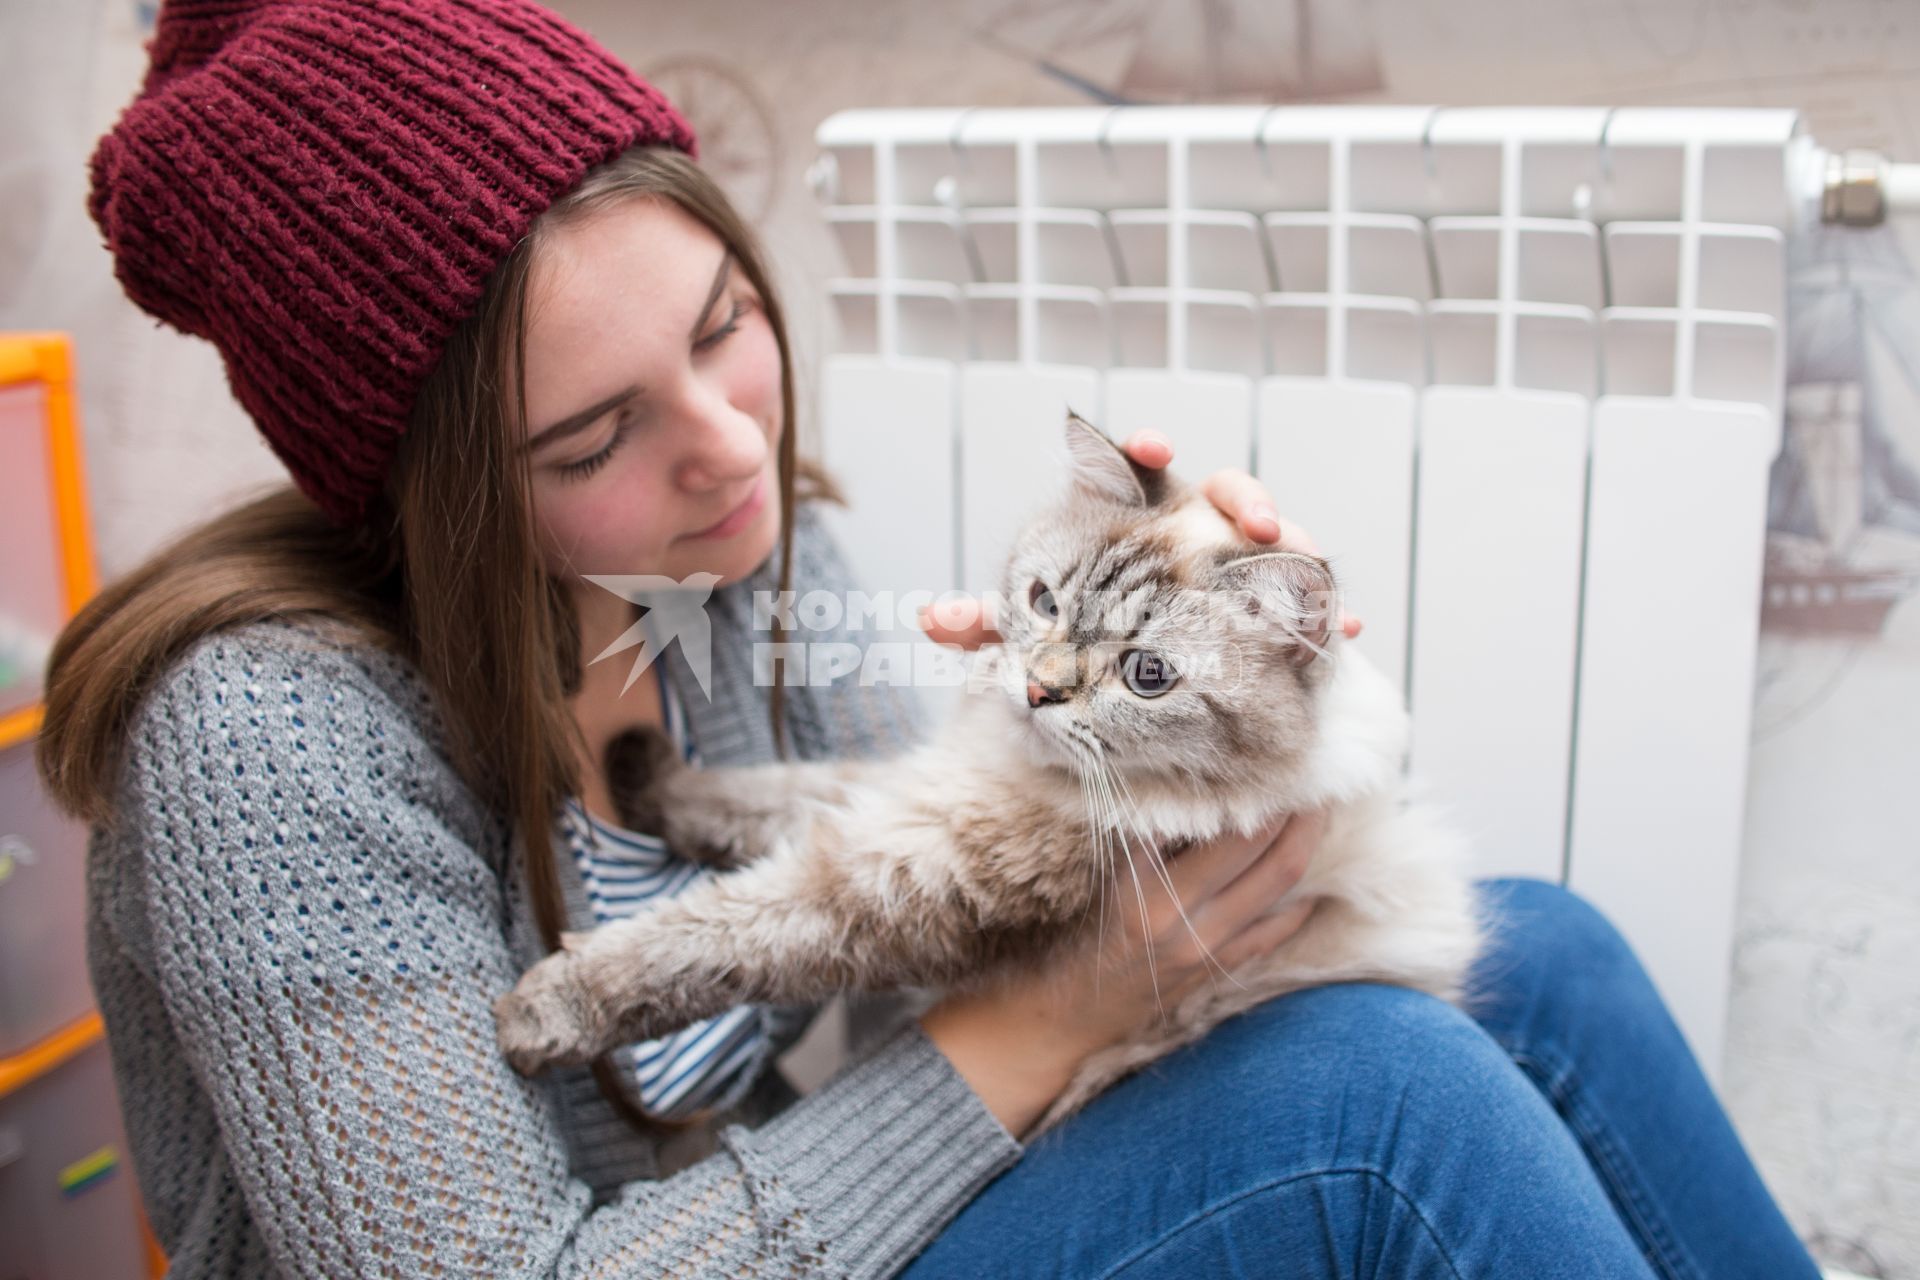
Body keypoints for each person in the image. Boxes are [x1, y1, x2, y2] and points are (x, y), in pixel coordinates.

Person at [39, 1, 1822, 1276]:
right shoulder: (270, 747)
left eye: (727, 324)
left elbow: (962, 903)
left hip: (789, 1215)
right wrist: (1064, 1016)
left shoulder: (740, 552)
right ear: (437, 496)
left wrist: (1229, 704)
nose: (733, 446)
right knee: (1381, 1094)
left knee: (1547, 955)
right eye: (594, 437)